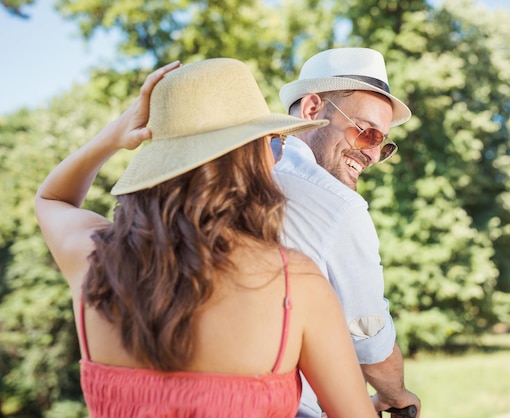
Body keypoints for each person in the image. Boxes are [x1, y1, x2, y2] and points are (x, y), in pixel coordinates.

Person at [35, 58, 379, 418]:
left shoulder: (94, 259)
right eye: (273, 142)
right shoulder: (295, 282)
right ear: (249, 159)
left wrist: (117, 134)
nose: (276, 158)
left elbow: (51, 199)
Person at [274, 47, 421, 417]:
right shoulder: (339, 206)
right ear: (312, 110)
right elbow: (368, 337)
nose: (372, 155)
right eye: (367, 132)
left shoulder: (234, 171)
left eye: (382, 144)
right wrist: (396, 394)